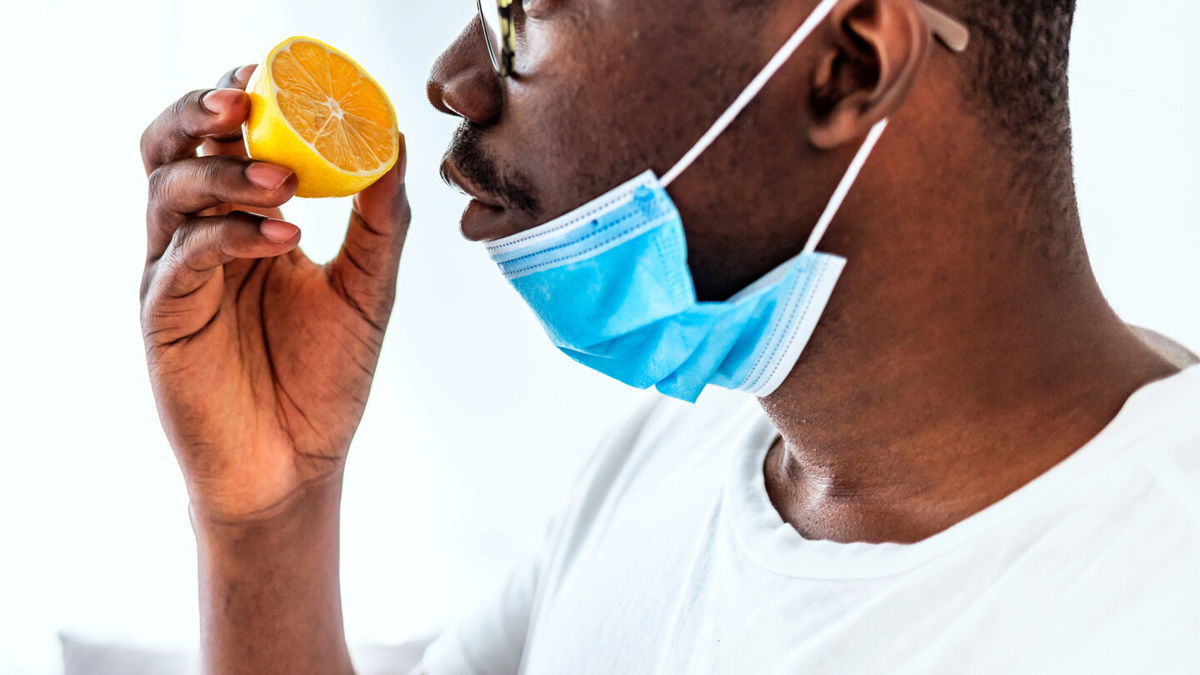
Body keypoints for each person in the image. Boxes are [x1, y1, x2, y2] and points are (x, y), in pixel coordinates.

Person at [137, 0, 1199, 672]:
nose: (454, 78)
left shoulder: (1156, 611)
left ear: (845, 66)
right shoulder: (678, 462)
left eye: (524, 14)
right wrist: (268, 515)